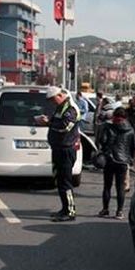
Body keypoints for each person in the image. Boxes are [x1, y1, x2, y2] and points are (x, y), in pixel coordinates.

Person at [37, 87, 81, 222]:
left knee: (66, 182)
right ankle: (64, 208)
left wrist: (48, 123)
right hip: (58, 148)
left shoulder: (70, 108)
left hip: (66, 149)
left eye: (53, 99)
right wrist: (48, 120)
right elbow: (57, 122)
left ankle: (70, 211)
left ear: (60, 95)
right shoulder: (60, 107)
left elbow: (65, 126)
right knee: (60, 181)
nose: (52, 102)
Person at [98, 107, 135, 220]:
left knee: (107, 186)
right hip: (123, 161)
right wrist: (129, 159)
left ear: (114, 116)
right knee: (120, 187)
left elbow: (102, 141)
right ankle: (119, 211)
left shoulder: (108, 127)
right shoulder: (130, 130)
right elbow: (133, 147)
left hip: (109, 160)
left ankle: (105, 209)